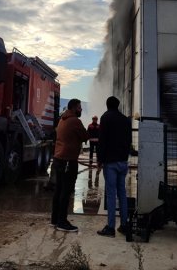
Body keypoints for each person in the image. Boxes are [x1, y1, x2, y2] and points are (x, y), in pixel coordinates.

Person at [95, 96, 133, 240]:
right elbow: (129, 140)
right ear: (118, 105)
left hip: (110, 162)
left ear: (107, 105)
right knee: (122, 193)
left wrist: (100, 159)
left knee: (111, 195)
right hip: (123, 161)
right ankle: (124, 224)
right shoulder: (125, 120)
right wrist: (125, 156)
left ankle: (110, 227)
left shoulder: (105, 118)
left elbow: (102, 140)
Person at [51, 98, 88, 232]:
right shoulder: (75, 121)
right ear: (73, 108)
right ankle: (62, 222)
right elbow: (85, 136)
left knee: (59, 190)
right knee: (66, 191)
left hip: (58, 159)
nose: (81, 109)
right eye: (79, 107)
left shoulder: (62, 119)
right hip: (68, 160)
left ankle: (54, 219)